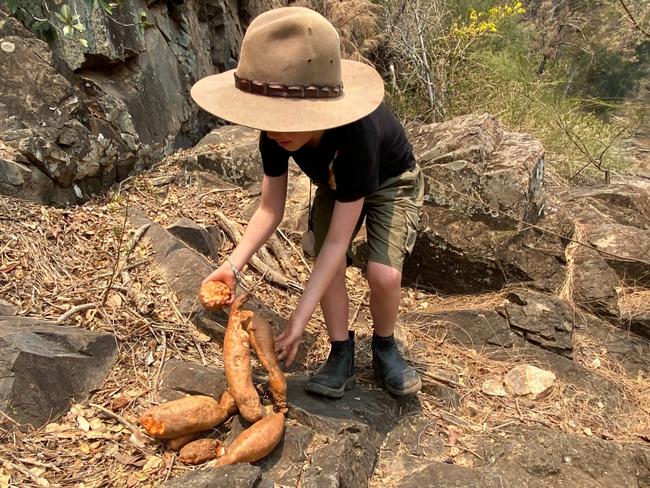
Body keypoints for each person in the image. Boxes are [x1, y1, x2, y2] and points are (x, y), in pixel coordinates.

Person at [191, 6, 423, 398]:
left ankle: (385, 347)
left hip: (389, 180)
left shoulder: (358, 134)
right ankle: (341, 350)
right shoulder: (274, 135)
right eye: (268, 116)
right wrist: (232, 265)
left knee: (383, 275)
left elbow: (338, 241)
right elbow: (270, 208)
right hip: (335, 184)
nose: (277, 128)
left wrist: (300, 317)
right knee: (327, 268)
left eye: (291, 116)